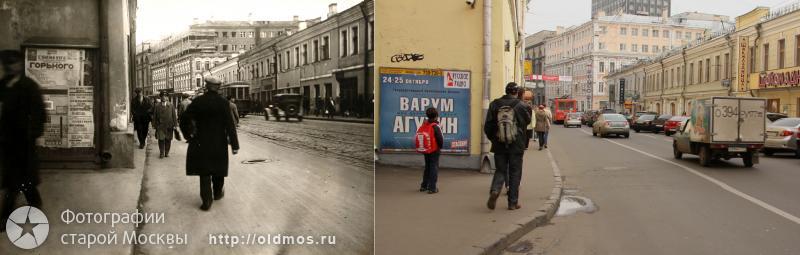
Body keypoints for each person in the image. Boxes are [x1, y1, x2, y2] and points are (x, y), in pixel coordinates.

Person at [0, 50, 46, 231]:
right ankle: (34, 204)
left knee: (19, 177)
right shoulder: (2, 85)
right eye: (6, 63)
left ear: (20, 64)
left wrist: (33, 134)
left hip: (24, 140)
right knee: (16, 177)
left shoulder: (29, 86)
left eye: (13, 63)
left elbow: (39, 113)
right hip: (6, 140)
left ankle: (6, 216)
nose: (9, 66)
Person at [180, 76, 239, 211]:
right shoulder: (224, 103)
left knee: (204, 171)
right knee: (218, 169)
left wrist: (188, 135)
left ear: (206, 86)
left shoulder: (198, 101)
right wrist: (235, 145)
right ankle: (217, 193)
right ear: (218, 88)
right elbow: (230, 125)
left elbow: (184, 119)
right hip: (219, 142)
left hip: (201, 142)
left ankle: (206, 200)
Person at [484, 82, 531, 211]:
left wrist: (494, 139)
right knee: (515, 172)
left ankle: (495, 190)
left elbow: (487, 126)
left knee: (500, 170)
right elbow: (527, 122)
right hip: (516, 145)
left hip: (499, 144)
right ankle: (512, 203)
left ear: (506, 91)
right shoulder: (521, 105)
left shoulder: (494, 104)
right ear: (516, 92)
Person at [418, 107, 443, 194]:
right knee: (433, 167)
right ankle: (432, 188)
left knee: (427, 167)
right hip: (434, 150)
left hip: (426, 149)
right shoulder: (435, 126)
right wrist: (440, 147)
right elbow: (440, 139)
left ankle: (424, 186)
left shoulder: (425, 124)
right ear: (436, 116)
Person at [153, 91, 178, 158]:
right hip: (160, 126)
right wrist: (154, 125)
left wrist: (176, 125)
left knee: (168, 139)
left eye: (165, 96)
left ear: (167, 97)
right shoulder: (157, 106)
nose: (164, 97)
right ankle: (161, 153)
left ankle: (166, 152)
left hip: (169, 126)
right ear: (160, 97)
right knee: (161, 139)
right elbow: (154, 116)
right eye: (162, 96)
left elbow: (174, 116)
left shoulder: (171, 105)